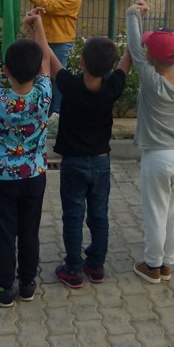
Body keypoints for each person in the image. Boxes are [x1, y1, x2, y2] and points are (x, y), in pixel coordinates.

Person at [0, 10, 53, 307]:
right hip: (34, 175)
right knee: (29, 231)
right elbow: (46, 60)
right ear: (38, 71)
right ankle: (28, 284)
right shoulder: (44, 93)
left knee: (5, 233)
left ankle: (4, 288)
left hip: (1, 177)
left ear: (5, 69)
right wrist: (38, 26)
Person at [51, 25, 131, 289]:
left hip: (73, 163)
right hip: (100, 162)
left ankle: (73, 269)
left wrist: (38, 26)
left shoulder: (70, 85)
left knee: (73, 216)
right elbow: (128, 59)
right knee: (99, 215)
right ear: (110, 67)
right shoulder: (112, 87)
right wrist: (134, 25)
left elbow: (48, 57)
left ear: (81, 61)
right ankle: (96, 266)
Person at [126, 1, 174, 284]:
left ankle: (152, 265)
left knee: (155, 213)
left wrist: (132, 15)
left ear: (151, 56)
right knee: (173, 214)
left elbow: (134, 49)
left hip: (157, 158)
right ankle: (167, 264)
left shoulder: (151, 80)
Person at [20, 0, 91, 115]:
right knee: (39, 73)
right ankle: (40, 109)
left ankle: (57, 112)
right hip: (41, 37)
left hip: (58, 40)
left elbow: (51, 6)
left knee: (57, 77)